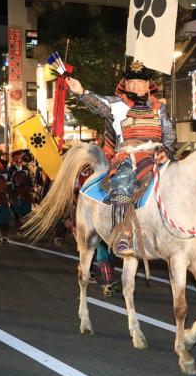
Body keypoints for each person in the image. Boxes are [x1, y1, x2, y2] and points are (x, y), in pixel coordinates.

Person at [67, 60, 176, 256]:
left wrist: (166, 150)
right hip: (129, 156)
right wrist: (81, 92)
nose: (134, 85)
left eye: (139, 82)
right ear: (124, 85)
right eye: (130, 82)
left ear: (148, 84)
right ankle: (122, 235)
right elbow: (99, 104)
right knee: (122, 183)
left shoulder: (159, 108)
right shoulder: (117, 105)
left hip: (156, 156)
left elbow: (169, 134)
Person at [8, 150, 34, 224]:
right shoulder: (11, 169)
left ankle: (25, 224)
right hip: (16, 193)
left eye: (20, 157)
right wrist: (10, 194)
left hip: (26, 193)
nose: (18, 158)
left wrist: (31, 189)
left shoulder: (25, 168)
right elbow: (9, 182)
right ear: (14, 158)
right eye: (16, 157)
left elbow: (29, 179)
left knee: (26, 209)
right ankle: (19, 224)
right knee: (17, 210)